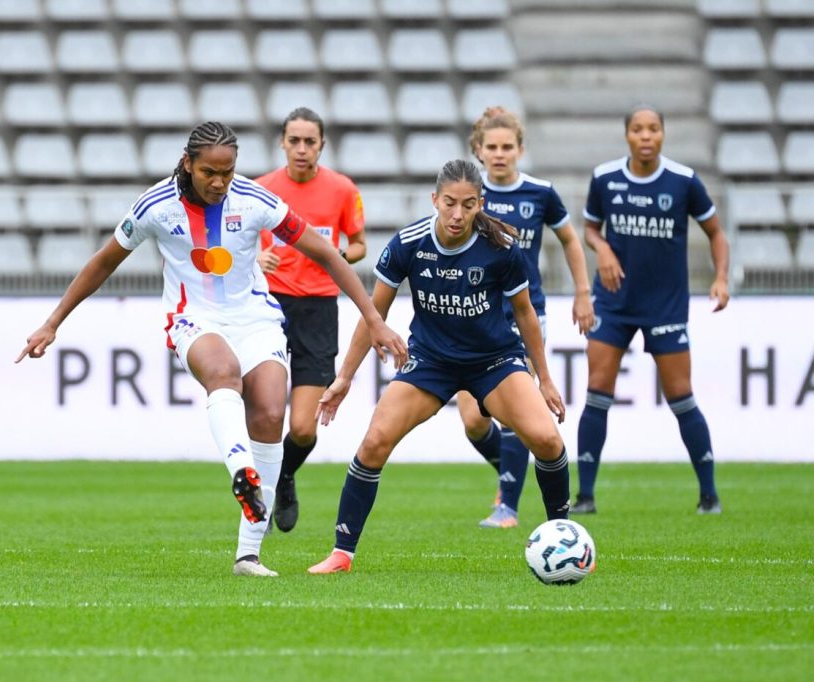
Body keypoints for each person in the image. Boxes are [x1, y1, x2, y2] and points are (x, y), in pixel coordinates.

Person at [15, 121, 407, 577]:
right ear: (188, 164)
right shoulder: (155, 206)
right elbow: (103, 262)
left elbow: (325, 252)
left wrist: (374, 319)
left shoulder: (255, 200)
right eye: (209, 173)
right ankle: (243, 472)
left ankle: (248, 556)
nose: (220, 182)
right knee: (223, 372)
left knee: (268, 413)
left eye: (228, 172)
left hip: (256, 317)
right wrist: (52, 322)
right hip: (193, 319)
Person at [308, 159, 571, 575]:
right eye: (449, 203)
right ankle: (342, 553)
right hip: (431, 362)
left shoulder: (501, 247)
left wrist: (545, 379)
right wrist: (344, 377)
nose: (457, 214)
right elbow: (373, 314)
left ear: (480, 203)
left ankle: (565, 538)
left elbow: (525, 313)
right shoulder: (408, 243)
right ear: (435, 200)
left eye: (468, 205)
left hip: (495, 361)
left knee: (547, 440)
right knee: (375, 441)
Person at [571, 105, 730, 516]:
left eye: (653, 129)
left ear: (663, 134)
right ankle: (585, 496)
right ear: (627, 135)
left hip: (665, 305)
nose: (646, 136)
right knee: (597, 392)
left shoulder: (683, 181)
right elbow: (589, 228)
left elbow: (716, 233)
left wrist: (721, 278)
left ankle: (709, 495)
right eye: (638, 129)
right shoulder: (605, 177)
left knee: (681, 397)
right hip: (615, 302)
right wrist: (602, 247)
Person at [457, 107, 594, 530]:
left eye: (507, 147)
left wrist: (582, 292)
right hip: (473, 315)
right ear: (478, 151)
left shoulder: (540, 192)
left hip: (523, 312)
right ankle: (514, 471)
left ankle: (508, 507)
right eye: (491, 147)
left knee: (515, 410)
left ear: (520, 149)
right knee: (473, 422)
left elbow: (570, 239)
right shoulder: (469, 196)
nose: (499, 154)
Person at [254, 107, 367, 533]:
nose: (302, 149)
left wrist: (337, 254)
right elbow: (236, 240)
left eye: (310, 141)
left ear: (322, 145)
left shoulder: (341, 190)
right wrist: (253, 258)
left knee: (303, 428)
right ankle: (259, 500)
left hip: (319, 309)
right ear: (282, 142)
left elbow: (358, 245)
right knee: (264, 415)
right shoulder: (261, 189)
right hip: (267, 306)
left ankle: (284, 477)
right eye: (294, 140)